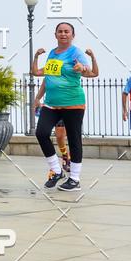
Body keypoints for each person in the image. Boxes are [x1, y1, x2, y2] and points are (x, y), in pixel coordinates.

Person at [32, 22, 98, 192]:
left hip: (73, 104)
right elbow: (47, 77)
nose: (63, 34)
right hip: (51, 104)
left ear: (72, 35)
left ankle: (74, 179)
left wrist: (82, 67)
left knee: (74, 139)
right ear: (55, 35)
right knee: (41, 133)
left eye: (67, 31)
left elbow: (90, 71)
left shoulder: (76, 52)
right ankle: (56, 170)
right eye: (60, 31)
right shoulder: (52, 53)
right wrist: (38, 98)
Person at [34, 81, 71, 172]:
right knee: (57, 136)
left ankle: (69, 158)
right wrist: (37, 98)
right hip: (53, 107)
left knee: (68, 135)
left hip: (69, 105)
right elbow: (45, 81)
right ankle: (64, 155)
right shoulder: (51, 74)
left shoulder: (70, 73)